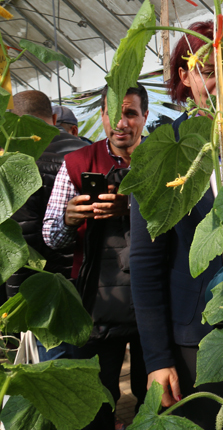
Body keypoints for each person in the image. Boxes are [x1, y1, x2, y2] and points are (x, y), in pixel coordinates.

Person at [130, 21, 223, 429]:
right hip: (197, 339)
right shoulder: (162, 151)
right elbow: (145, 267)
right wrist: (158, 359)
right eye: (208, 71)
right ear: (184, 77)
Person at [43, 84, 149, 430]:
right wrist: (69, 220)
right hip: (96, 304)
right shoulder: (77, 163)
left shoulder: (161, 160)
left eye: (130, 113)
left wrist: (132, 206)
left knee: (153, 396)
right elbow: (52, 238)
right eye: (112, 112)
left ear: (144, 117)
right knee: (97, 398)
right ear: (101, 115)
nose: (121, 122)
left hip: (152, 302)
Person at [6, 92, 87, 304]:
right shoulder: (88, 152)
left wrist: (16, 303)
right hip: (92, 281)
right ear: (53, 119)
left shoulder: (18, 163)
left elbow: (22, 242)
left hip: (47, 291)